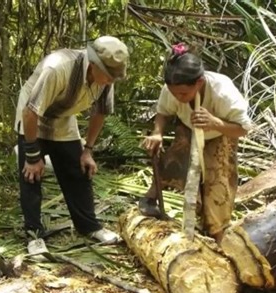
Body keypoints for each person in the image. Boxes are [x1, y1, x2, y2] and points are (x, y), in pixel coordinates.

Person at [14, 36, 129, 248]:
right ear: (94, 65)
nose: (111, 81)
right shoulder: (58, 68)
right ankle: (34, 235)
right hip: (33, 115)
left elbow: (100, 113)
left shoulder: (105, 79)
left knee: (78, 171)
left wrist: (88, 150)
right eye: (109, 76)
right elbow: (31, 112)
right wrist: (32, 155)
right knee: (31, 175)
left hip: (63, 117)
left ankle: (89, 226)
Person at [140, 43, 252, 243]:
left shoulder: (222, 91)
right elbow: (163, 113)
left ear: (199, 82)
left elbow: (243, 128)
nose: (178, 98)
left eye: (183, 94)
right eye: (175, 94)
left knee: (217, 185)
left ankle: (217, 234)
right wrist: (157, 133)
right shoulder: (172, 89)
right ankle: (151, 196)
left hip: (222, 134)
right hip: (188, 129)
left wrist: (215, 123)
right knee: (174, 160)